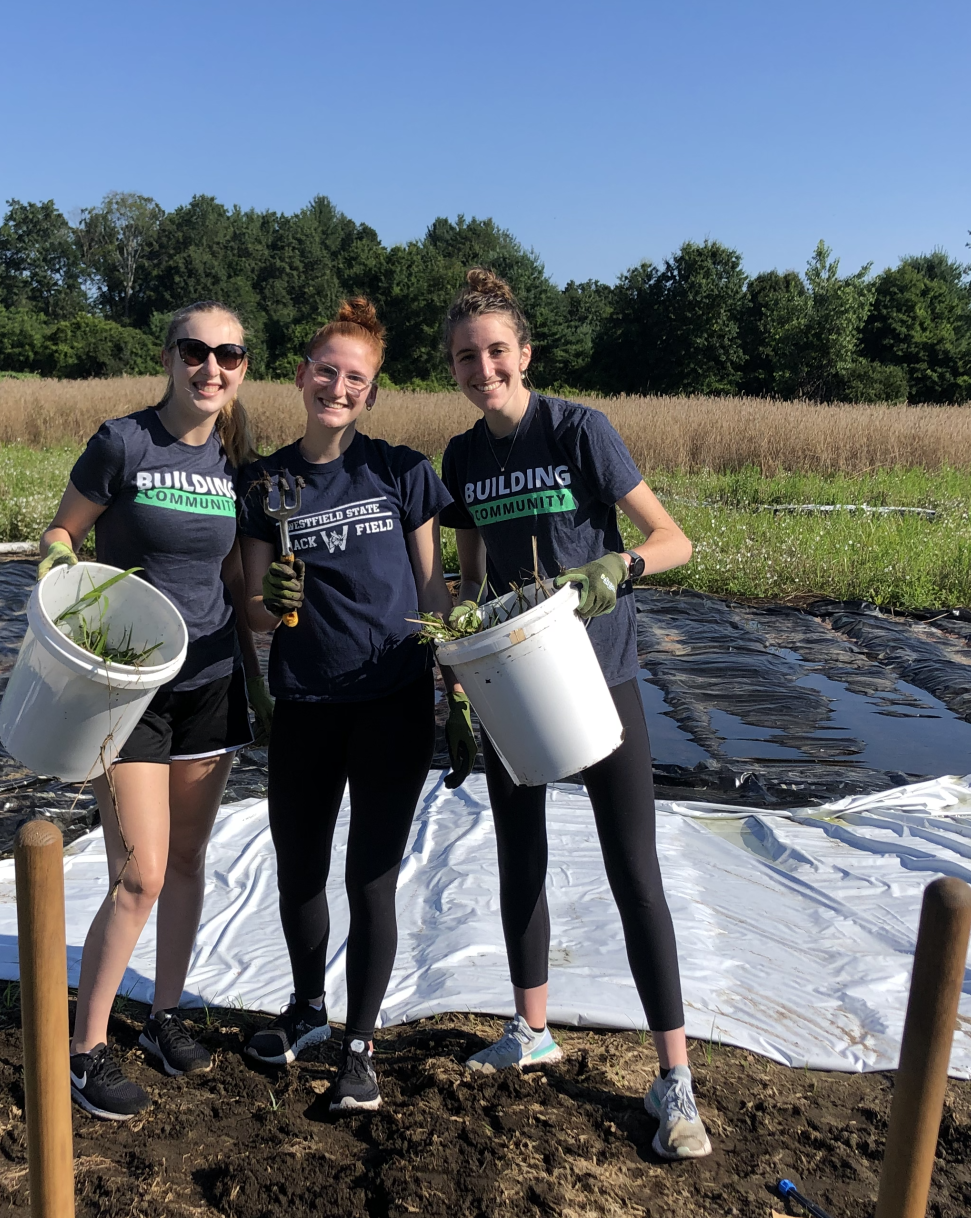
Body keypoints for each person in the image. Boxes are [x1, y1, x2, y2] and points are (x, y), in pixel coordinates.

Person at [437, 268, 712, 1160]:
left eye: (496, 352)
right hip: (511, 682)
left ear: (524, 354)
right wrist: (459, 659)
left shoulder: (580, 431)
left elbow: (672, 540)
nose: (485, 369)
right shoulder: (464, 458)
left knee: (634, 869)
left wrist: (617, 569)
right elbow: (470, 578)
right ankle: (532, 1028)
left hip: (599, 677)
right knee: (521, 855)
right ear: (455, 370)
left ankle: (674, 1077)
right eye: (467, 358)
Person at [36, 300, 267, 1121]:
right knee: (140, 872)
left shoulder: (238, 469)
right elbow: (63, 532)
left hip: (211, 681)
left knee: (190, 864)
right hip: (127, 687)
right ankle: (85, 1049)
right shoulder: (122, 443)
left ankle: (165, 1015)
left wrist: (278, 612)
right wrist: (58, 566)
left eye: (229, 355)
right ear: (168, 357)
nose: (212, 368)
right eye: (196, 351)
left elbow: (243, 589)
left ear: (242, 368)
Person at [237, 298, 458, 1114]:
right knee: (299, 868)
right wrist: (270, 596)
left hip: (392, 701)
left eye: (354, 377)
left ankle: (360, 1046)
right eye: (325, 371)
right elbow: (257, 613)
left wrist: (454, 681)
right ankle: (305, 1011)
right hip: (304, 702)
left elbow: (433, 586)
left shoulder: (401, 472)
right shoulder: (264, 484)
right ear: (301, 377)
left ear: (371, 392)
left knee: (371, 877)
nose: (337, 386)